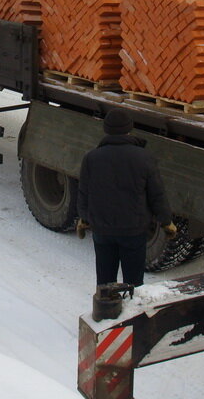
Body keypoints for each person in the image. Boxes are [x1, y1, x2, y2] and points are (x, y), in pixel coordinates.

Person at [76, 108, 175, 287]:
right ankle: (132, 312)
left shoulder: (91, 158)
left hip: (102, 232)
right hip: (134, 231)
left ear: (106, 130)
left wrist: (84, 218)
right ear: (129, 129)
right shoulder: (144, 157)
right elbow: (157, 194)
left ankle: (105, 311)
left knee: (105, 284)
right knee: (134, 285)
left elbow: (84, 193)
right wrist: (166, 221)